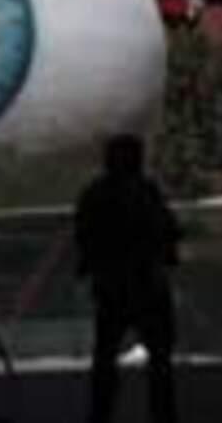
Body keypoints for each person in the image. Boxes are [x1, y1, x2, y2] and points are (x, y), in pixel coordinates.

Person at [75, 134, 181, 423]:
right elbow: (167, 229)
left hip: (111, 285)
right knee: (159, 357)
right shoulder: (147, 191)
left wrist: (92, 267)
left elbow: (84, 236)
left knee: (106, 354)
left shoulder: (96, 194)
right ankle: (162, 414)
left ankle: (101, 412)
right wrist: (166, 257)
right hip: (148, 283)